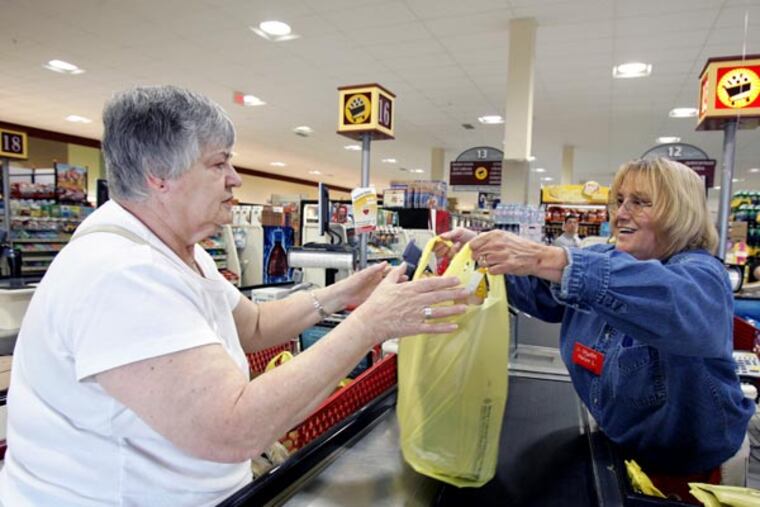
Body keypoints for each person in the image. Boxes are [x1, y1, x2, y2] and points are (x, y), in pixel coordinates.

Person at [0, 85, 469, 506]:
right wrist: (371, 324)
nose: (235, 179)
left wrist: (341, 294)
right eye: (218, 163)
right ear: (158, 175)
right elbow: (233, 429)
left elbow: (253, 327)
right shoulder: (121, 274)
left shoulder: (177, 249)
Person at [436, 158, 753, 503]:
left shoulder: (702, 274)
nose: (621, 214)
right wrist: (481, 253)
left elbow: (676, 303)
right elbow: (541, 293)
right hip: (615, 451)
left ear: (680, 212)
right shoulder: (606, 255)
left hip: (688, 474)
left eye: (641, 202)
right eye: (619, 201)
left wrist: (547, 258)